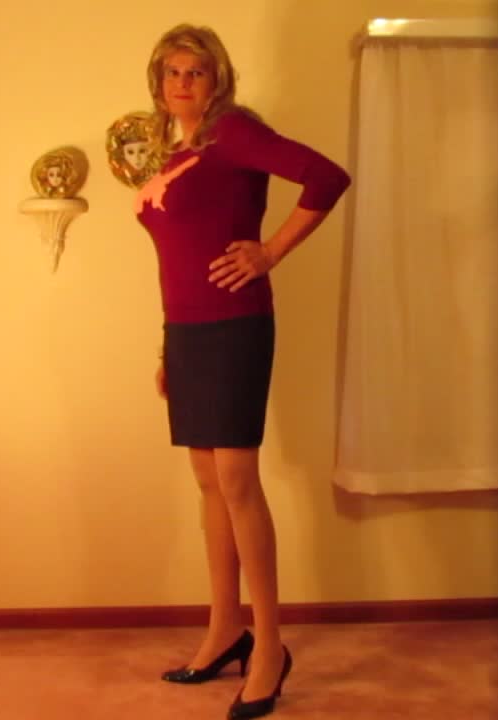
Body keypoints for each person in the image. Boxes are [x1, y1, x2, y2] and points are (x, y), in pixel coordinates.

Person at [134, 23, 351, 720]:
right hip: (188, 332)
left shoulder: (232, 132)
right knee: (208, 481)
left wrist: (270, 251)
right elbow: (176, 257)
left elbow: (327, 176)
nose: (182, 82)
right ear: (158, 82)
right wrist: (168, 348)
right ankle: (225, 629)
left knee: (235, 480)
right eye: (172, 72)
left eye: (195, 71)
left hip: (234, 325)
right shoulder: (179, 152)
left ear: (216, 80)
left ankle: (270, 648)